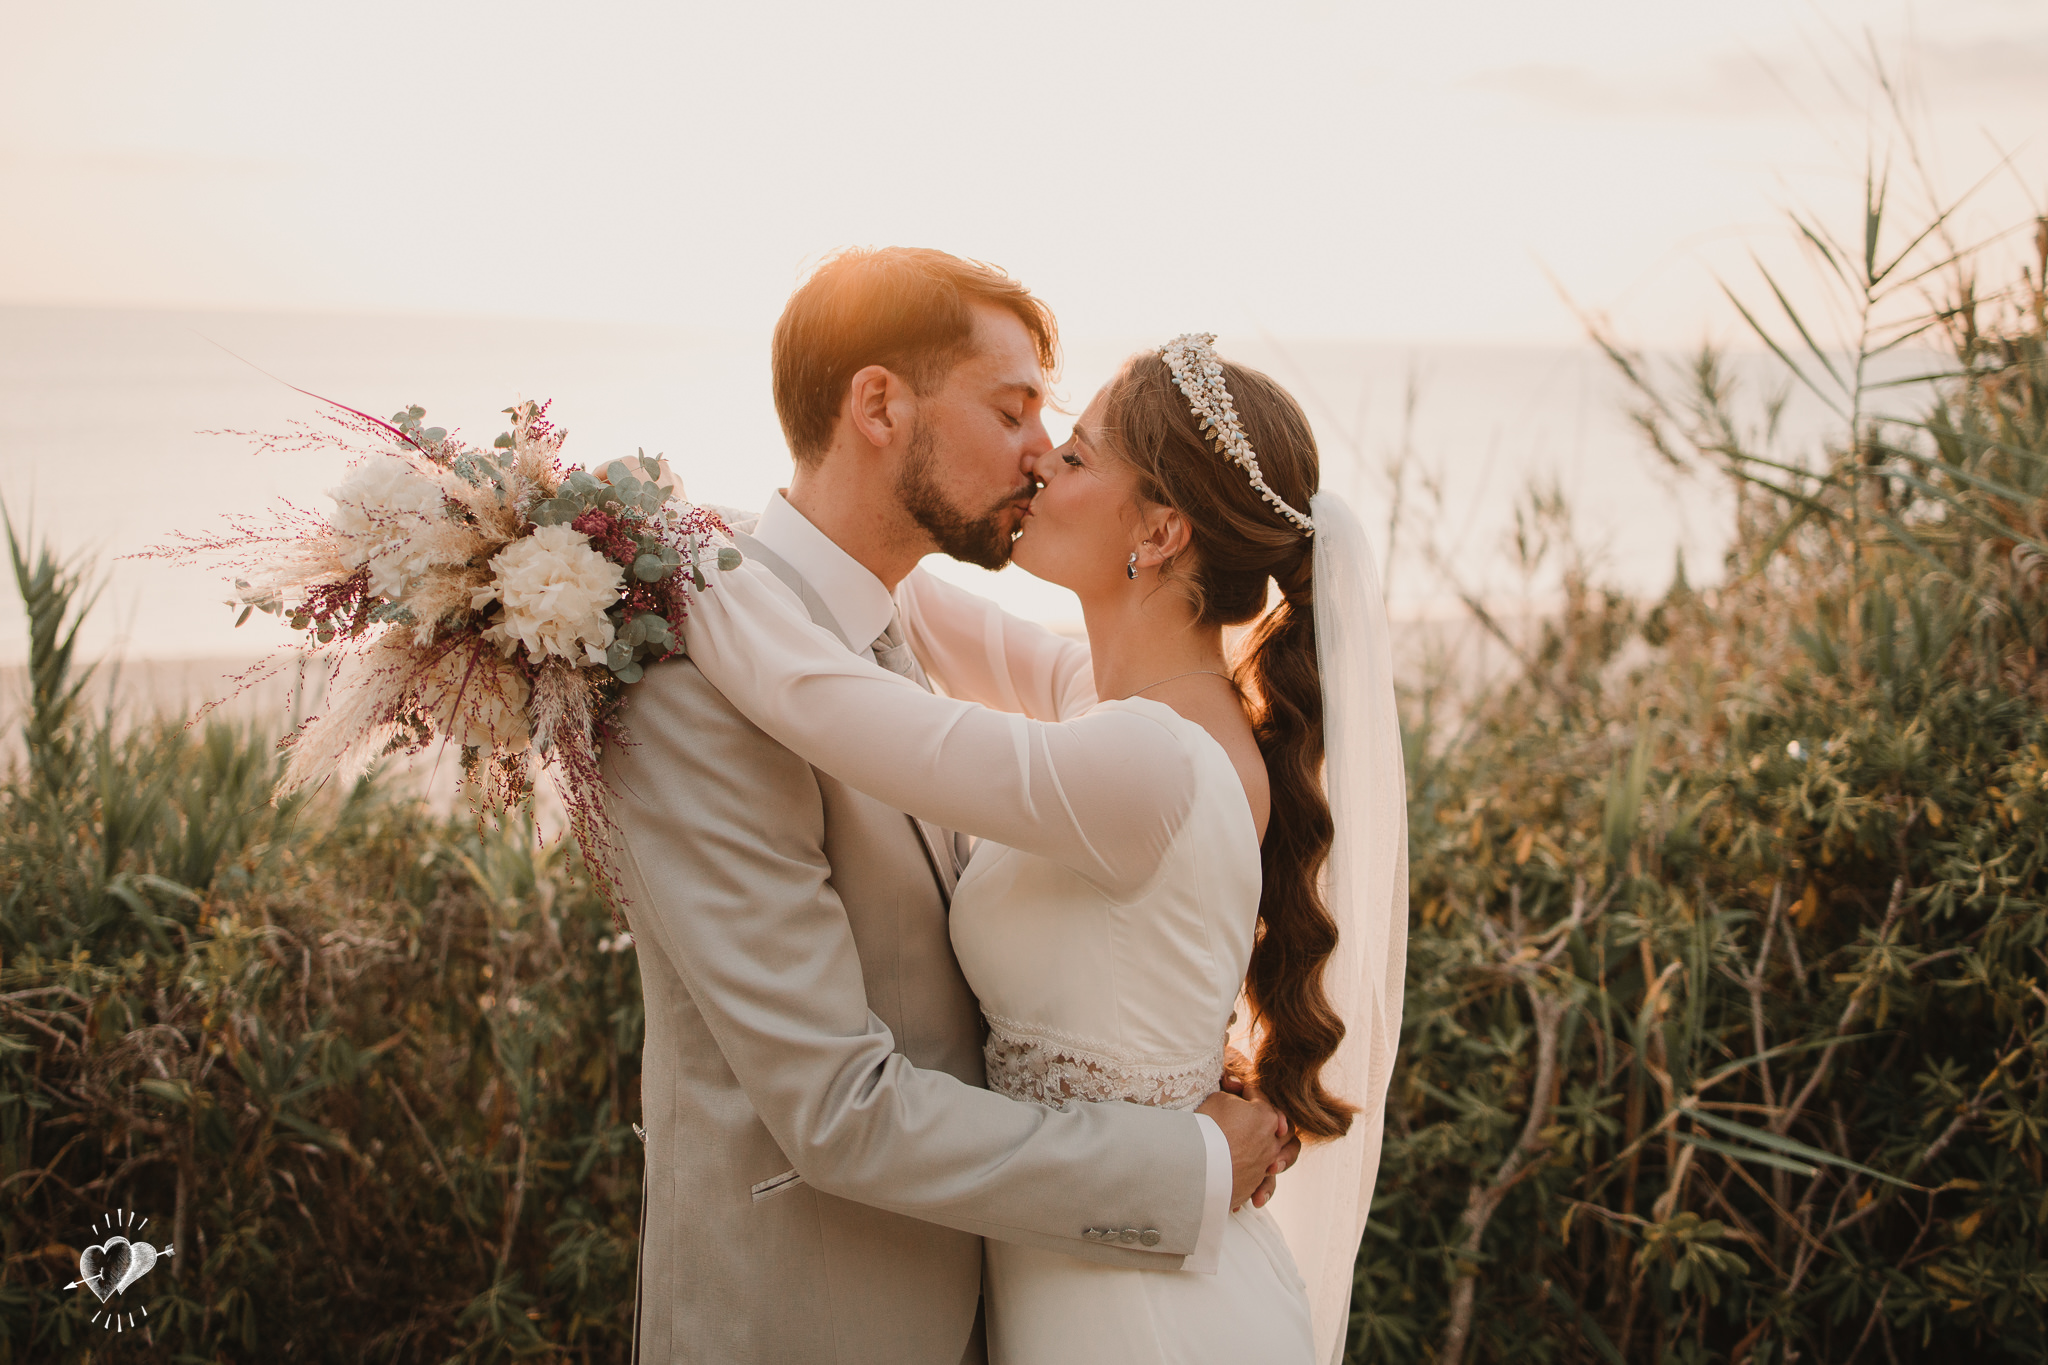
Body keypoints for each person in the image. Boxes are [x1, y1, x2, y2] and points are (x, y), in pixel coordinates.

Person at [601, 251, 1299, 1365]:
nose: (1039, 454)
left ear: (1160, 532)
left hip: (1100, 1308)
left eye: (1066, 442)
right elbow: (835, 1105)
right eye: (1017, 412)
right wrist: (665, 546)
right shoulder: (701, 683)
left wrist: (684, 554)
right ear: (877, 404)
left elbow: (832, 693)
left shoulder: (1123, 743)